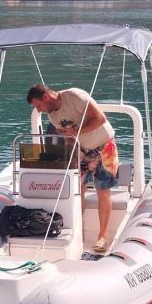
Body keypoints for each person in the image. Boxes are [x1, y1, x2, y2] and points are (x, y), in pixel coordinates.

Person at [26, 84, 119, 253]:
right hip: (81, 149)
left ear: (46, 97)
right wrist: (72, 156)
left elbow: (100, 118)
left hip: (103, 145)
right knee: (77, 190)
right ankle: (77, 232)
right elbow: (67, 137)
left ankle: (102, 237)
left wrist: (75, 132)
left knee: (103, 190)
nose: (38, 111)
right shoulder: (52, 116)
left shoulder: (75, 96)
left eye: (38, 105)